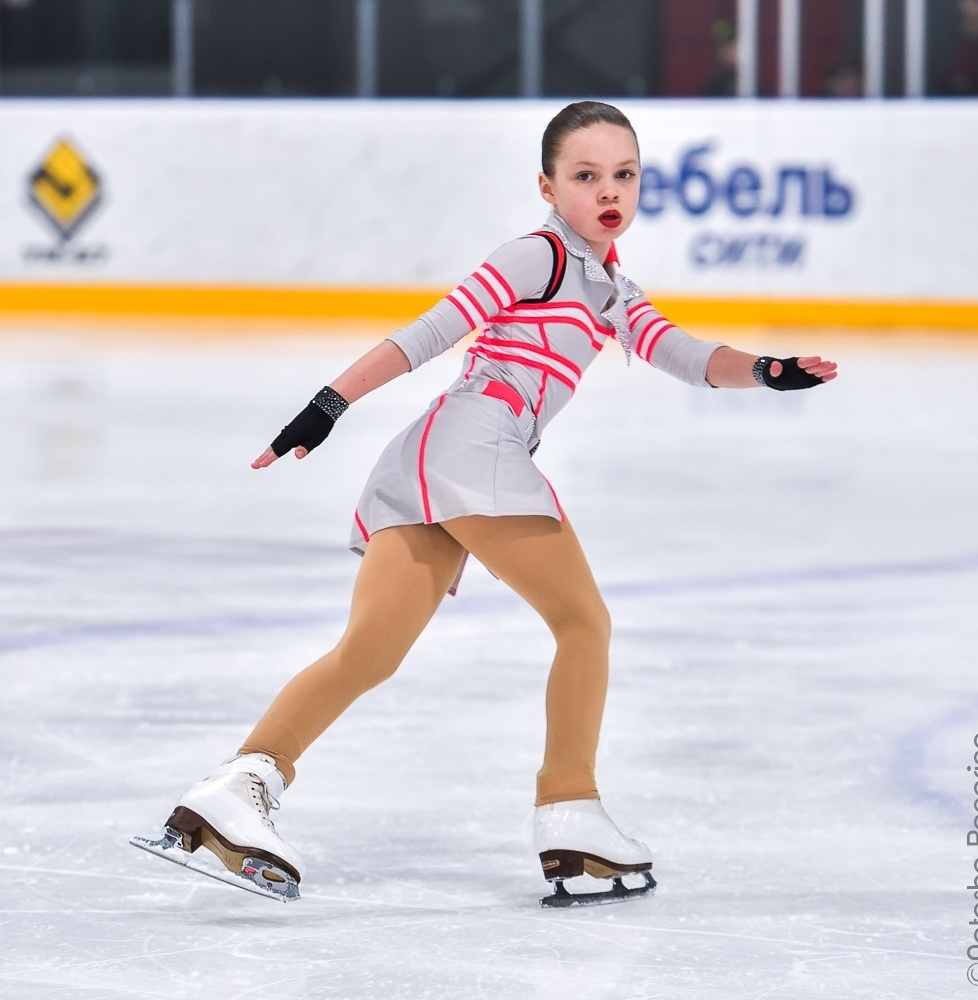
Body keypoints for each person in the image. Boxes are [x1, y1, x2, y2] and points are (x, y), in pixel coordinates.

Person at [132, 101, 838, 907]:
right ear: (548, 184)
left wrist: (771, 371)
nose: (609, 191)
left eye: (625, 174)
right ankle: (569, 806)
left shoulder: (609, 285)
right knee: (584, 624)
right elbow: (433, 331)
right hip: (478, 444)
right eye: (586, 176)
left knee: (368, 653)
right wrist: (328, 404)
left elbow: (683, 354)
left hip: (434, 459)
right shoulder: (538, 255)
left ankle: (238, 788)